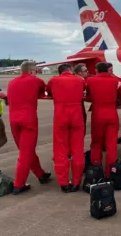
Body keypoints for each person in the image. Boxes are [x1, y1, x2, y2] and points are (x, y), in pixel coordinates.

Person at [7, 61, 51, 194]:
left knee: (26, 149)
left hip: (13, 119)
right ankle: (18, 184)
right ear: (32, 71)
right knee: (25, 153)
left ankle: (40, 174)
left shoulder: (12, 82)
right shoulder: (35, 81)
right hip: (28, 119)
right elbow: (45, 91)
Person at [46, 64, 85, 192]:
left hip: (60, 115)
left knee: (60, 150)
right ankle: (76, 182)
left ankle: (63, 183)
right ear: (71, 70)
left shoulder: (54, 80)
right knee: (78, 149)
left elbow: (48, 92)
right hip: (77, 116)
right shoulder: (80, 80)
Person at [85, 62, 119, 179]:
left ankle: (96, 170)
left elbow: (88, 94)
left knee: (96, 144)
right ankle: (111, 172)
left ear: (97, 70)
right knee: (111, 144)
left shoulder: (91, 80)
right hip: (112, 114)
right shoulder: (114, 80)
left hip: (98, 114)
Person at [73, 63, 89, 137]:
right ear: (79, 73)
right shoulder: (80, 81)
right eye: (85, 70)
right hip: (78, 107)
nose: (87, 72)